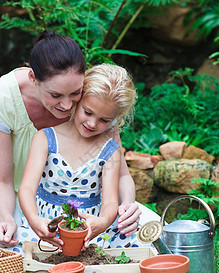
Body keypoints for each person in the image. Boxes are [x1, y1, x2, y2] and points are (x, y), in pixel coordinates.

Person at [0, 30, 153, 252]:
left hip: (90, 210)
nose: (67, 106)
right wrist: (7, 217)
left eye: (75, 94)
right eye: (55, 96)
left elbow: (121, 178)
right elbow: (6, 182)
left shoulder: (97, 102)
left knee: (147, 230)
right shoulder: (7, 99)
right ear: (34, 79)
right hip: (17, 199)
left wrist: (126, 208)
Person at [18, 63, 138, 250]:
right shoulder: (46, 138)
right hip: (45, 226)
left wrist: (103, 222)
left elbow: (110, 202)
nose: (91, 123)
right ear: (78, 100)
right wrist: (34, 220)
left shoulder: (109, 150)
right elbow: (26, 188)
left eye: (104, 120)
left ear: (116, 118)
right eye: (88, 112)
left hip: (88, 231)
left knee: (132, 243)